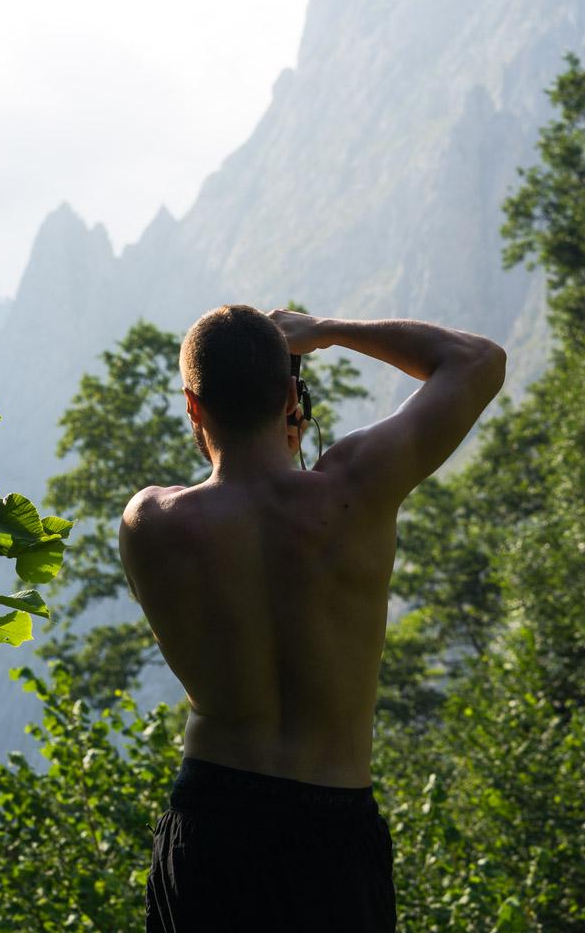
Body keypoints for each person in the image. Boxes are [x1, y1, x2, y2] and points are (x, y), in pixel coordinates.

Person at [118, 305, 507, 932]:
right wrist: (324, 331)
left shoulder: (151, 522)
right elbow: (477, 360)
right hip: (332, 832)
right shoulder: (355, 488)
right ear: (291, 398)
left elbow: (243, 524)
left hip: (212, 826)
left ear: (194, 406)